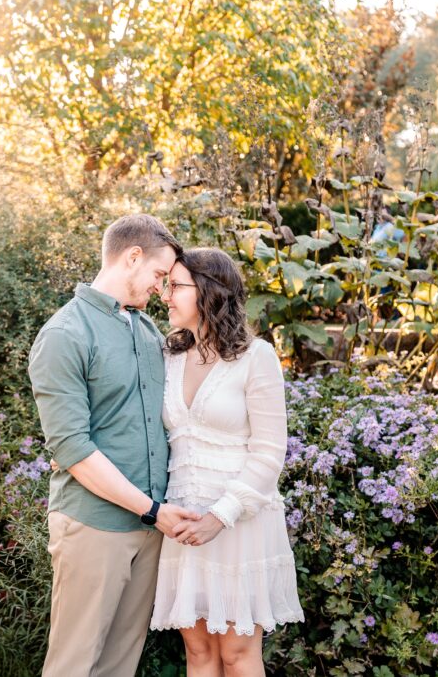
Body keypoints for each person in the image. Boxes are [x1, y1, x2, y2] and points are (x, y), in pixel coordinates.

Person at [28, 213, 203, 677]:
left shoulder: (146, 331)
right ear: (131, 257)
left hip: (150, 529)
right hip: (95, 526)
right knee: (74, 664)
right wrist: (150, 509)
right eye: (159, 276)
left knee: (119, 666)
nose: (162, 289)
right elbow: (73, 450)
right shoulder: (65, 335)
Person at [149, 247, 304, 677]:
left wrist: (219, 516)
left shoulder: (256, 358)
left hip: (239, 522)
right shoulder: (169, 356)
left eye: (176, 286)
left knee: (237, 655)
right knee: (198, 655)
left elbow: (271, 452)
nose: (166, 295)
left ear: (209, 292)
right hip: (183, 522)